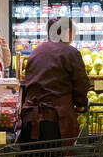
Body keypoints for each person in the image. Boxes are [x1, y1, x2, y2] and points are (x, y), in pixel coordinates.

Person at [18, 17, 89, 145]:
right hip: (56, 119)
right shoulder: (70, 52)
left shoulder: (35, 51)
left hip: (30, 118)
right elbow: (81, 84)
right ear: (67, 32)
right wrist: (81, 105)